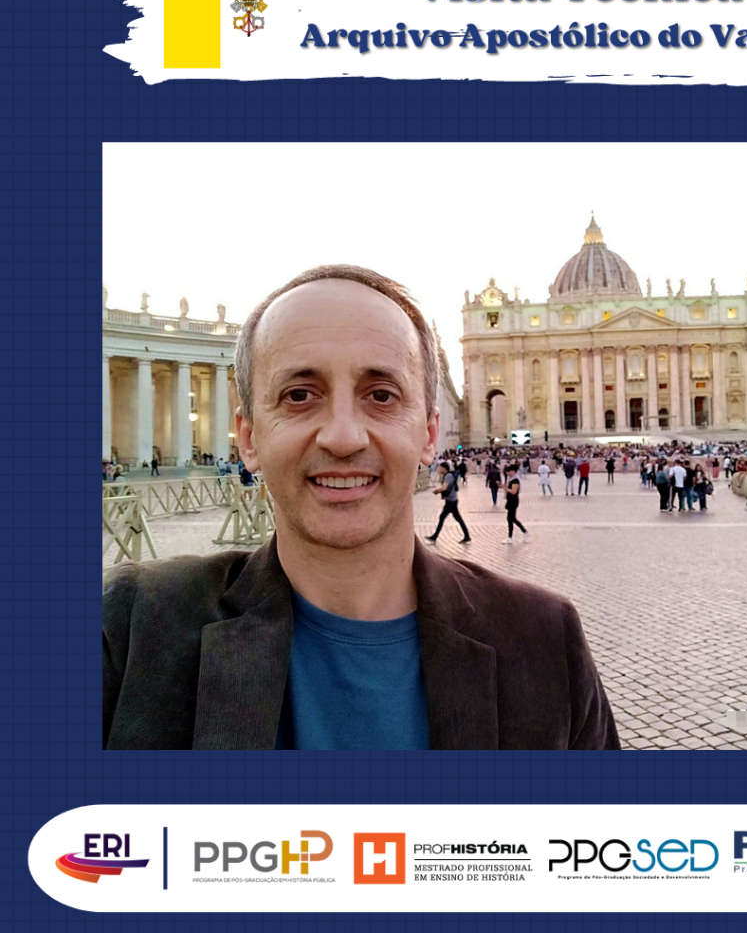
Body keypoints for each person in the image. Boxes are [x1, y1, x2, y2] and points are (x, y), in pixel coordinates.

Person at [103, 265, 618, 750]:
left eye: (382, 395)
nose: (344, 437)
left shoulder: (546, 640)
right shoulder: (128, 628)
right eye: (299, 395)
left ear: (429, 434)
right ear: (249, 437)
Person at [426, 461, 471, 544]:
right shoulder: (448, 475)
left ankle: (434, 536)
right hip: (452, 500)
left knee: (443, 517)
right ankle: (467, 536)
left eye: (440, 467)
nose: (439, 469)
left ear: (444, 468)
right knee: (456, 518)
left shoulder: (448, 476)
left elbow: (444, 487)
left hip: (451, 501)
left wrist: (437, 490)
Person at [500, 463, 528, 544]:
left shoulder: (515, 480)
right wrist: (502, 486)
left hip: (513, 501)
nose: (507, 473)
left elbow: (513, 491)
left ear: (513, 471)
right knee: (511, 519)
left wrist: (505, 488)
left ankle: (511, 536)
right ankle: (523, 531)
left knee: (511, 519)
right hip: (510, 500)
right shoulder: (511, 479)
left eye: (508, 472)